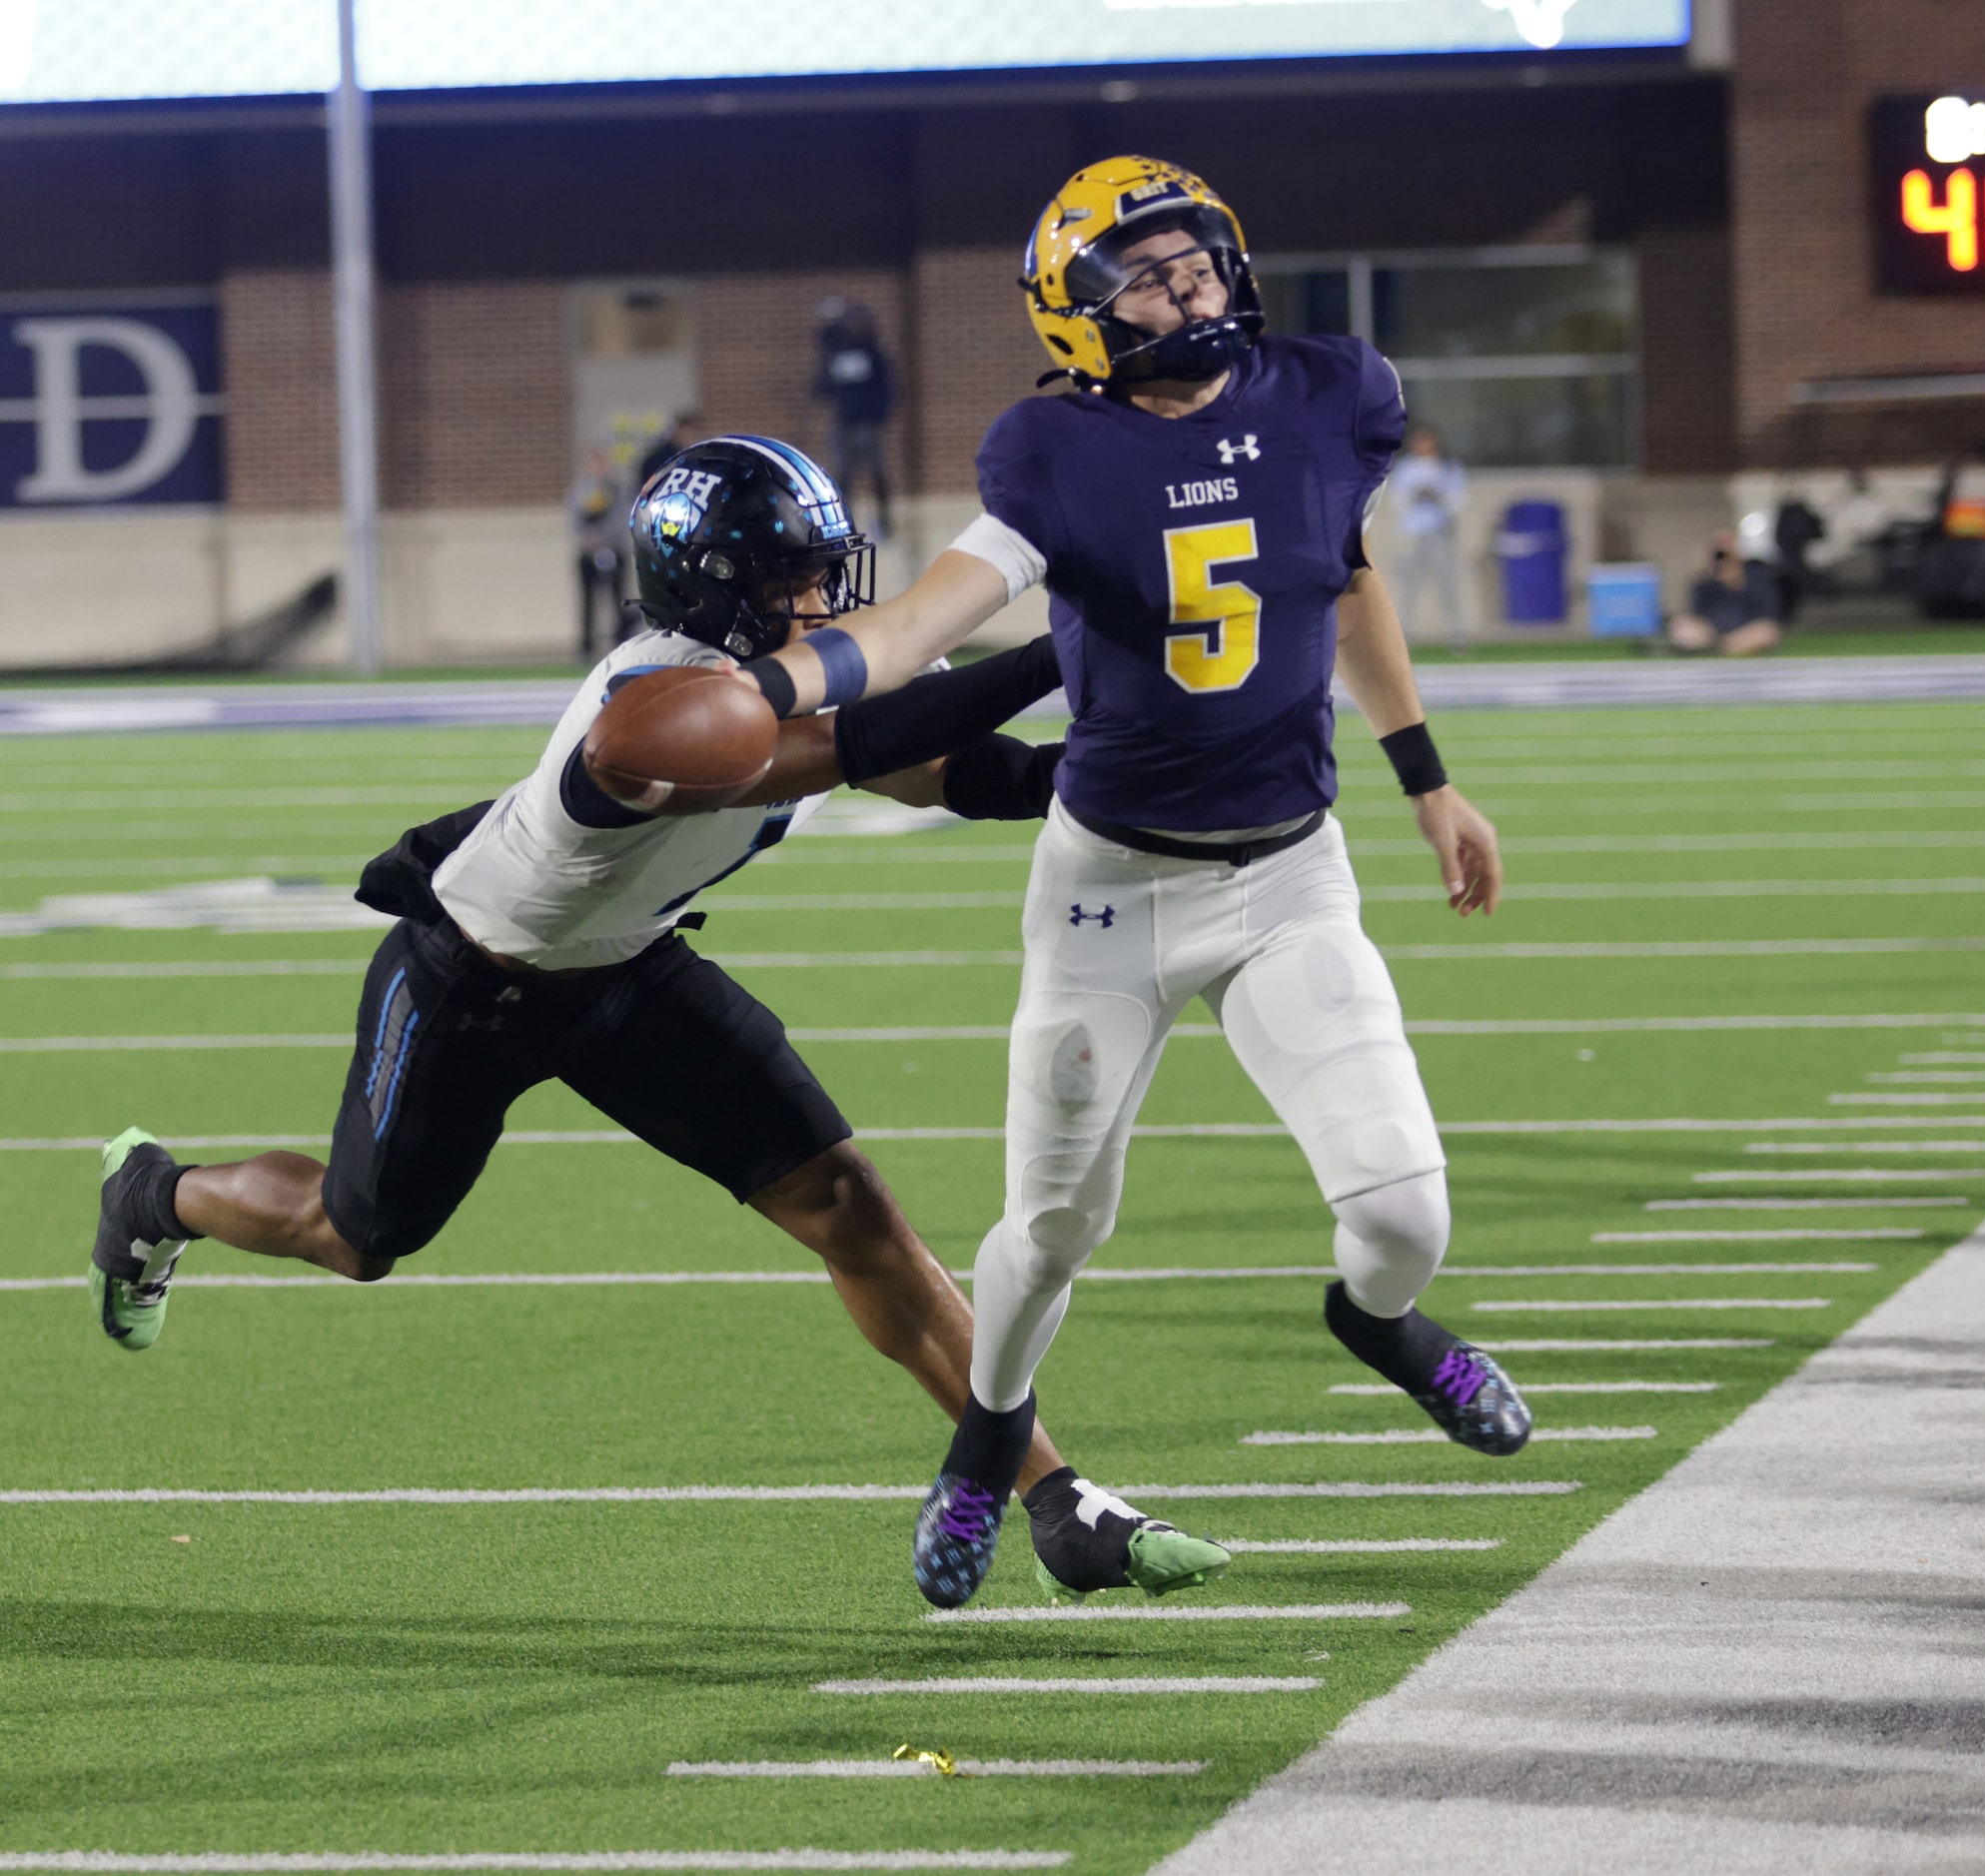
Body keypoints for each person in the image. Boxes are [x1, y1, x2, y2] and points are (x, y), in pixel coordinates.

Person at [86, 434, 1227, 1612]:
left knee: (852, 1208)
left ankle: (1053, 1501)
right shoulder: (654, 710)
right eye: (785, 583)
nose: (816, 604)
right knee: (355, 1235)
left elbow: (933, 768)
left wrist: (1096, 777)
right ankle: (158, 1194)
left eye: (820, 574)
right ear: (708, 593)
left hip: (629, 976)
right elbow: (843, 747)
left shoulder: (767, 677)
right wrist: (1071, 647)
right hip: (473, 987)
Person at [728, 156, 1526, 1609]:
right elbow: (922, 623)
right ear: (1080, 312)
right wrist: (785, 680)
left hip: (1291, 877)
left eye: (1197, 262)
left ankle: (1381, 1323)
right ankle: (983, 1447)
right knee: (1051, 1226)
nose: (1186, 290)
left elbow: (1344, 573)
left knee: (1408, 1210)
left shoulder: (1327, 391)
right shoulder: (1053, 449)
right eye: (1145, 276)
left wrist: (1426, 775)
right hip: (1110, 893)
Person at [813, 299, 896, 538]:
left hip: (868, 423)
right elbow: (822, 388)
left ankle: (884, 522)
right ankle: (841, 523)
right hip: (843, 423)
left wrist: (879, 417)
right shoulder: (835, 354)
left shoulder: (873, 353)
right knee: (843, 475)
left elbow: (887, 389)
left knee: (876, 473)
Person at [1387, 426, 1469, 650]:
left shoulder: (1448, 467)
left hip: (1438, 533)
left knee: (1447, 584)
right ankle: (1403, 638)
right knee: (1407, 586)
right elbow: (1396, 501)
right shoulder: (1405, 468)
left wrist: (1437, 496)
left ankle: (1457, 636)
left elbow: (1457, 501)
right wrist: (1416, 495)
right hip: (1411, 534)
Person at [1664, 527, 1783, 655]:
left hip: (1747, 628)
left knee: (1768, 631)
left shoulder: (1756, 575)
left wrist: (1736, 580)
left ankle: (1731, 646)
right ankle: (1725, 647)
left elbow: (1770, 612)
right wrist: (1708, 574)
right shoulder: (1705, 580)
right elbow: (1696, 611)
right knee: (1681, 627)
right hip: (1713, 632)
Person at [567, 448, 627, 660]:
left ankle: (620, 640)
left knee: (616, 598)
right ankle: (587, 646)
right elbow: (573, 518)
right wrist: (587, 539)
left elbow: (620, 517)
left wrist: (603, 537)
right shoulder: (579, 490)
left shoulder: (616, 489)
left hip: (612, 550)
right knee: (587, 600)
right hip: (587, 552)